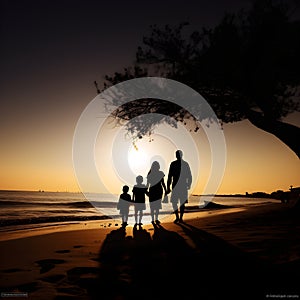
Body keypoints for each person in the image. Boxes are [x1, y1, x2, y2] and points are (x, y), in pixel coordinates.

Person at [167, 150, 192, 223]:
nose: (177, 156)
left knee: (182, 203)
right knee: (174, 202)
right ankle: (178, 217)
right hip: (176, 186)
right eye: (176, 154)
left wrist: (189, 184)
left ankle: (180, 217)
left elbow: (189, 175)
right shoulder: (173, 164)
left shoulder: (185, 164)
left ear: (181, 155)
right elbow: (169, 176)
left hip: (182, 186)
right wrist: (168, 186)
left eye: (178, 154)